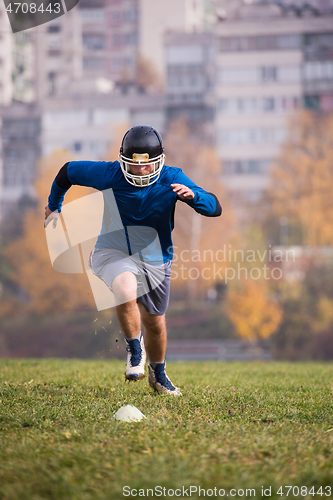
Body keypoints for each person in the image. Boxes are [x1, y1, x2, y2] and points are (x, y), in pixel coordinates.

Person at [45, 125, 222, 396]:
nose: (141, 171)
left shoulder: (173, 177)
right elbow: (67, 171)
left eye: (147, 165)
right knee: (125, 290)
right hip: (112, 251)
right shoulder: (109, 174)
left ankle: (159, 375)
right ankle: (134, 349)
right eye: (134, 165)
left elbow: (215, 207)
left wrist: (194, 197)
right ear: (122, 160)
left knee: (155, 321)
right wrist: (54, 204)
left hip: (156, 259)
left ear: (159, 161)